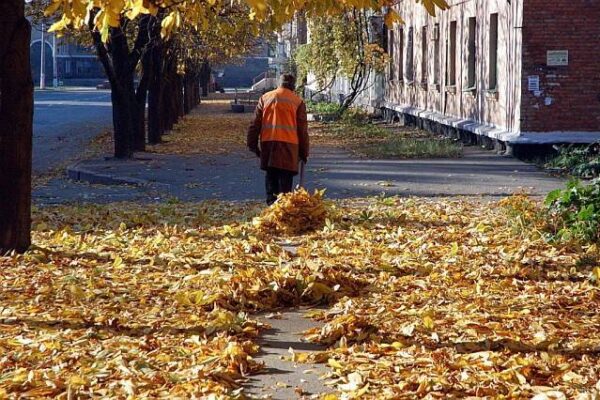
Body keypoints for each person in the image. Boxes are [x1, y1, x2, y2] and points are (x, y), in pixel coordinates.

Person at [247, 74, 309, 205]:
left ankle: (271, 210)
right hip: (289, 148)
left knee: (271, 177)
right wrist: (304, 153)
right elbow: (302, 131)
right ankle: (283, 213)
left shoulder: (265, 98)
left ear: (278, 84)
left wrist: (252, 145)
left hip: (269, 145)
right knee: (285, 186)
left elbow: (254, 124)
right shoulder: (297, 102)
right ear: (293, 85)